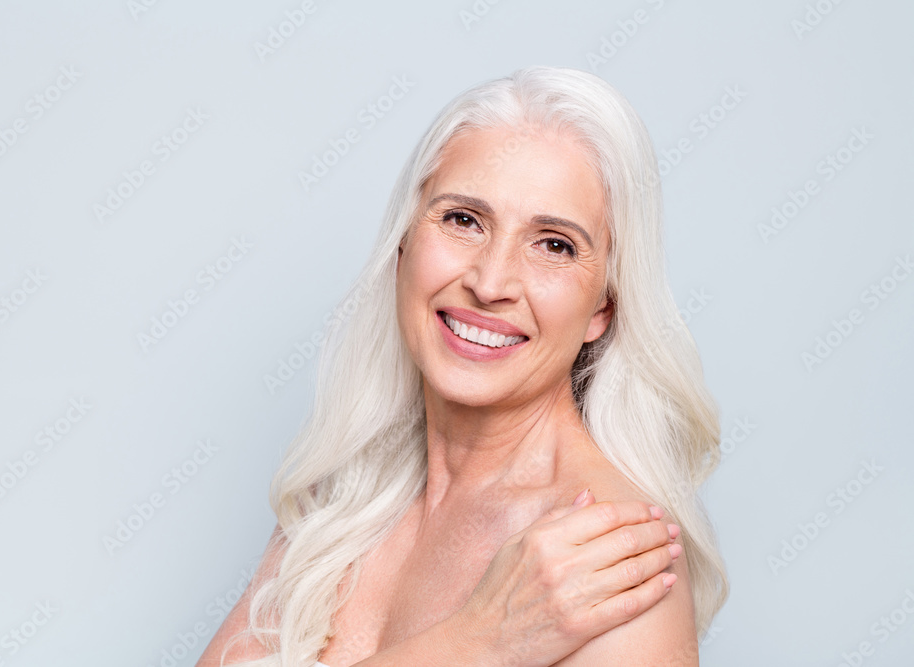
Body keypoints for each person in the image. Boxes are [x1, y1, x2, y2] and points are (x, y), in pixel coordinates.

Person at [197, 65, 727, 666]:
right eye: (463, 220)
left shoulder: (609, 558)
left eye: (554, 244)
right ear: (403, 246)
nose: (490, 282)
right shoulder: (352, 496)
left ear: (603, 305)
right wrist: (475, 643)